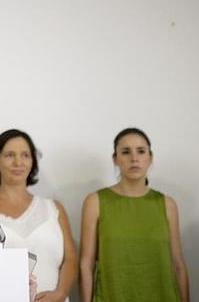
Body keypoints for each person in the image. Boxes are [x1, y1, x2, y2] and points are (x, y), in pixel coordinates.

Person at [79, 128, 189, 302]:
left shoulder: (167, 204)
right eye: (125, 152)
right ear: (115, 159)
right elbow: (86, 264)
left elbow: (178, 264)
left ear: (150, 158)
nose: (134, 158)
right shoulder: (95, 202)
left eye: (141, 151)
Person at [0, 129, 76, 302]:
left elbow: (71, 259)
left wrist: (61, 293)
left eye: (25, 155)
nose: (18, 162)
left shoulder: (54, 209)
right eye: (9, 155)